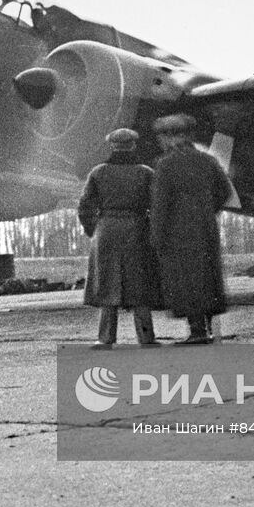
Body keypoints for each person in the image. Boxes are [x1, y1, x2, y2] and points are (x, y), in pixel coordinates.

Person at [149, 113, 234, 345]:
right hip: (206, 227)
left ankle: (197, 331)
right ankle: (205, 328)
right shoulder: (208, 160)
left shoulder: (165, 164)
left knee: (186, 279)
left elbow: (160, 204)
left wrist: (156, 236)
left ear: (169, 137)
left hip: (177, 231)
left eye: (162, 137)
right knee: (206, 277)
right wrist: (207, 210)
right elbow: (225, 192)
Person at [77, 128, 162, 349]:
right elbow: (157, 206)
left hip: (106, 230)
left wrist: (93, 230)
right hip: (137, 229)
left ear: (112, 146)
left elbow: (85, 206)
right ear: (133, 146)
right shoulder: (146, 173)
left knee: (108, 285)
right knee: (139, 285)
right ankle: (146, 337)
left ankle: (105, 338)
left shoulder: (98, 172)